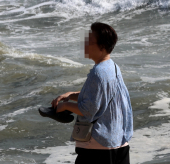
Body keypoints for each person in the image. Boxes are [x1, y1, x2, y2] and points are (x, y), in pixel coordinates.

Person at [52, 22, 133, 164]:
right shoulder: (112, 67)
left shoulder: (98, 73)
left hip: (99, 148)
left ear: (102, 47)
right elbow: (100, 97)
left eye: (90, 41)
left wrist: (65, 106)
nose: (85, 44)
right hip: (118, 142)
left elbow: (88, 110)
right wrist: (71, 96)